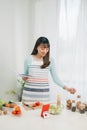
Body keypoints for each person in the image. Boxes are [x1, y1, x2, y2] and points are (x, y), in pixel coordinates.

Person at [22, 36, 76, 103]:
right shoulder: (28, 59)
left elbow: (55, 79)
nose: (45, 51)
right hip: (29, 95)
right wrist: (24, 78)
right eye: (42, 48)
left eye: (47, 49)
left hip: (43, 96)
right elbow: (25, 75)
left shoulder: (50, 60)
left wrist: (68, 89)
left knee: (42, 112)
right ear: (37, 47)